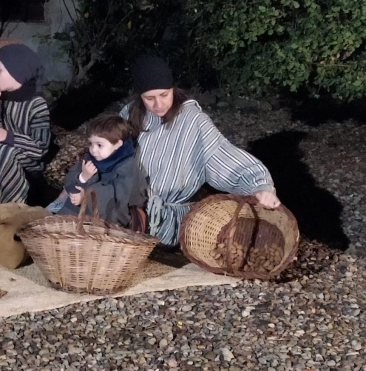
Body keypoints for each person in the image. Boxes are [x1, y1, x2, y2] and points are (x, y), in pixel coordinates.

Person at [119, 55, 281, 246]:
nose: (158, 105)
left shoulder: (193, 120)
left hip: (168, 223)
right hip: (128, 212)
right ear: (139, 97)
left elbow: (222, 156)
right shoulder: (130, 113)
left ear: (173, 89)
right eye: (149, 98)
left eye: (164, 95)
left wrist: (259, 187)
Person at [0, 43, 51, 203]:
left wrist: (9, 137)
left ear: (17, 72)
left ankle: (4, 204)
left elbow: (41, 148)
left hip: (26, 163)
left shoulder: (36, 104)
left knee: (3, 152)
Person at [57, 114, 147, 229]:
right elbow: (71, 179)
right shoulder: (89, 159)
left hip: (109, 213)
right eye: (91, 144)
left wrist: (86, 197)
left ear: (117, 144)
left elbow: (118, 195)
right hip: (79, 209)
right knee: (65, 215)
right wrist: (83, 177)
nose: (93, 150)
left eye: (99, 145)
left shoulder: (127, 166)